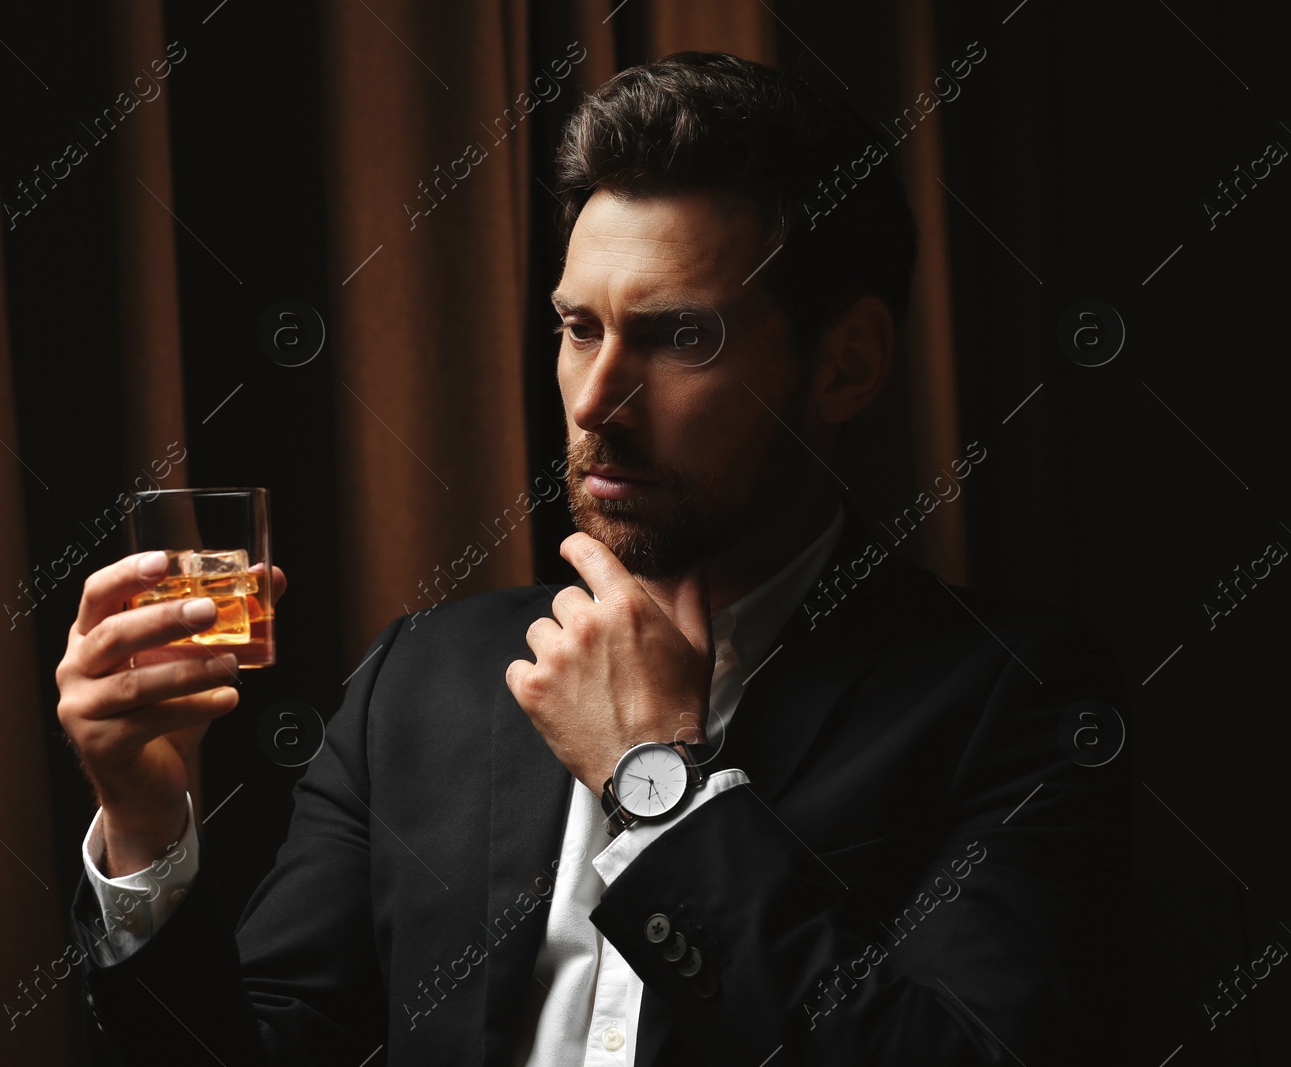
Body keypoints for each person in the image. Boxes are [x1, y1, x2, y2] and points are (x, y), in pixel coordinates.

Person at [55, 51, 1129, 1065]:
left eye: (679, 337)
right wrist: (146, 821)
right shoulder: (419, 681)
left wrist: (656, 782)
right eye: (578, 327)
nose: (593, 400)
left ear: (844, 364)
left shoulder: (1015, 699)